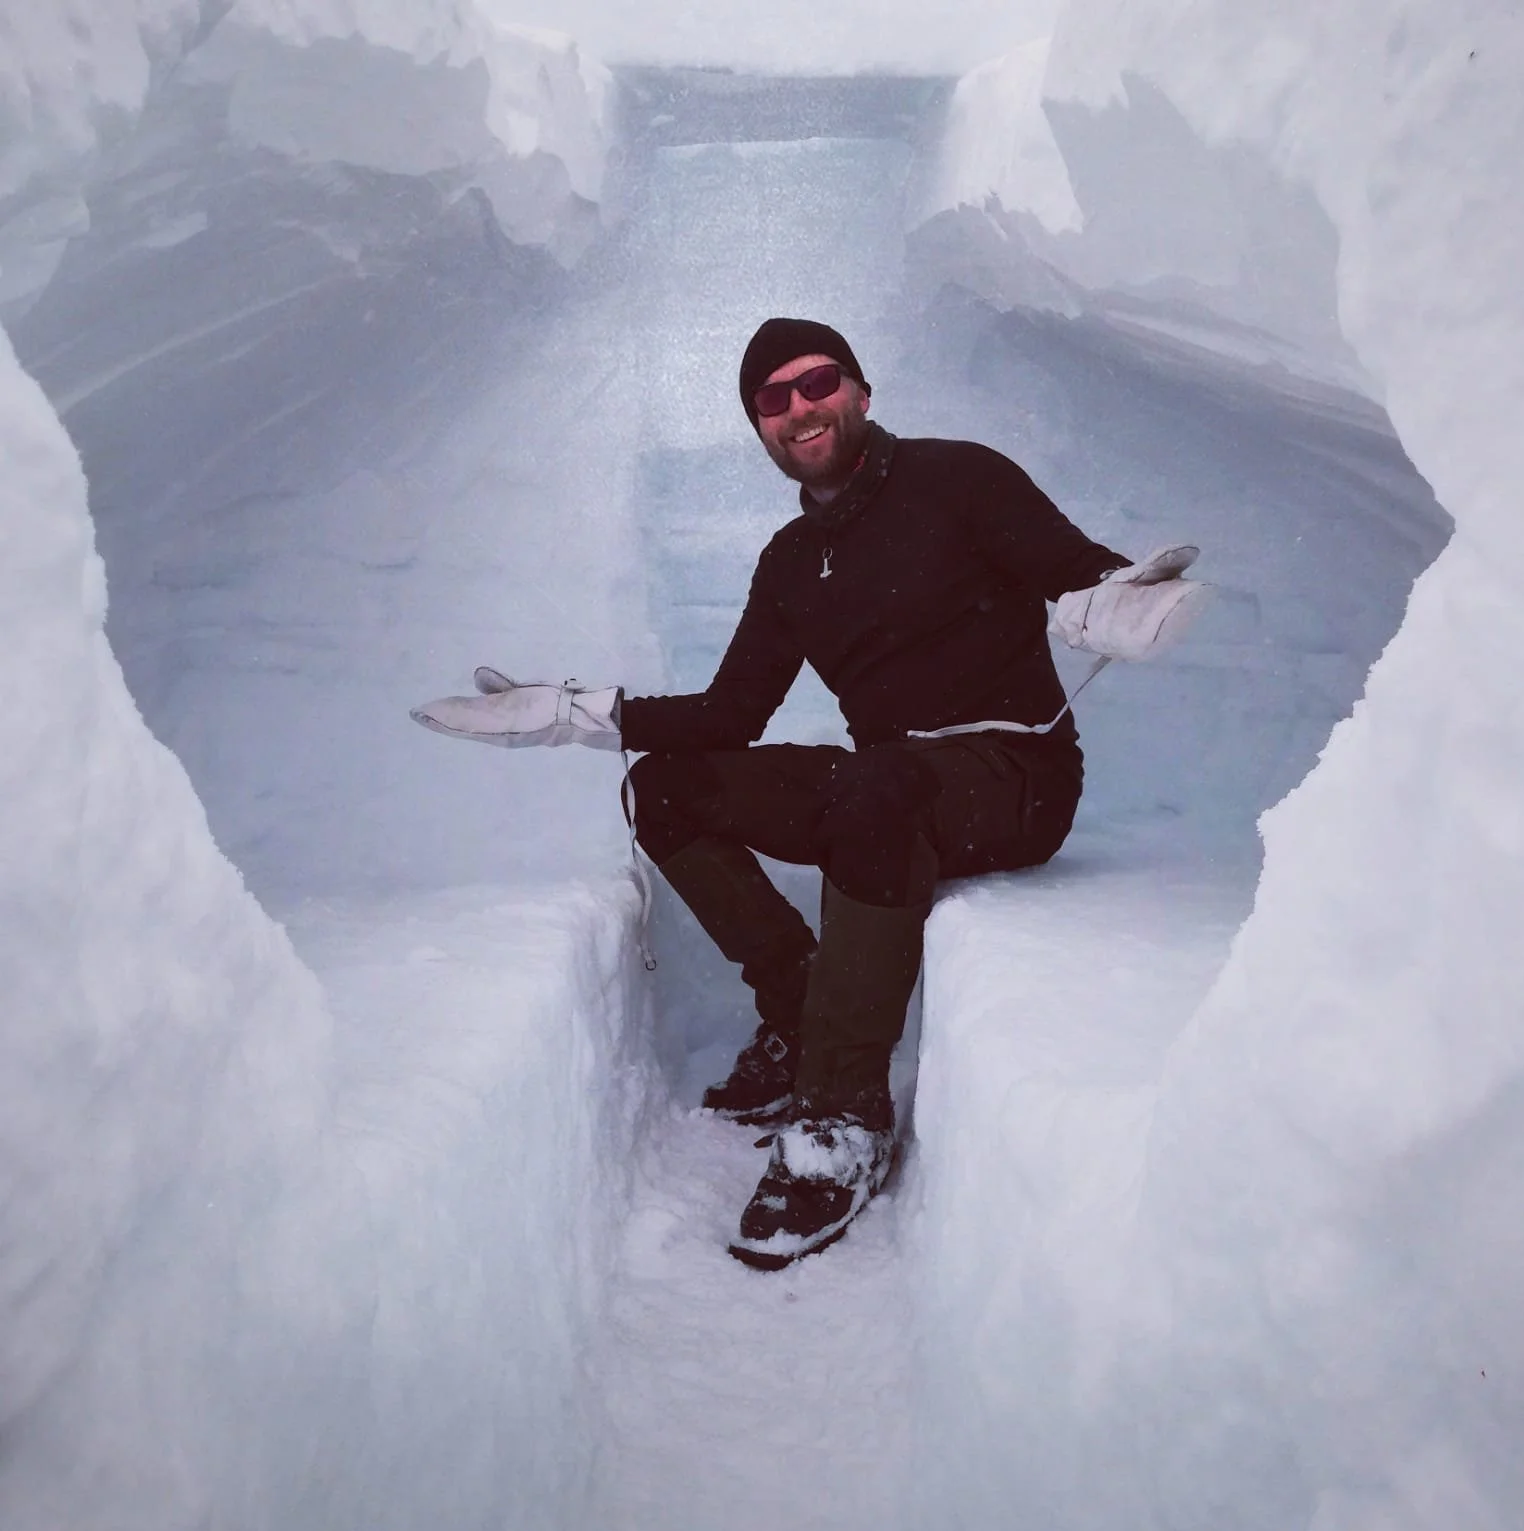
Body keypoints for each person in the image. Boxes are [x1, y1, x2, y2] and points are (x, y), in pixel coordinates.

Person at [412, 317, 1206, 1270]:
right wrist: (579, 713)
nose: (799, 406)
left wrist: (1107, 598)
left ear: (860, 391)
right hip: (892, 785)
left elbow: (1070, 566)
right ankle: (797, 1017)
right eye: (772, 398)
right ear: (759, 428)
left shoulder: (961, 478)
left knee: (875, 783)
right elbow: (729, 710)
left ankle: (841, 1119)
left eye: (817, 380)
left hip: (1016, 776)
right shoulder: (792, 561)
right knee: (668, 791)